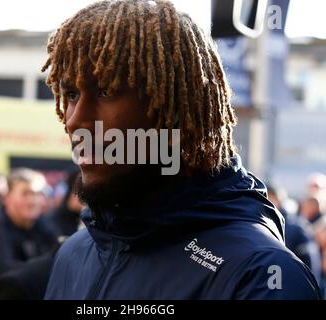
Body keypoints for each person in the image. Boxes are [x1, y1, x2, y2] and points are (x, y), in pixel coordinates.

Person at [42, 0, 320, 299]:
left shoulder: (259, 275)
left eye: (106, 91)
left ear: (174, 113)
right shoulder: (74, 253)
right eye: (70, 94)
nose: (74, 121)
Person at [0, 168, 57, 278]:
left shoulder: (43, 225)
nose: (32, 201)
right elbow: (3, 273)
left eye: (37, 194)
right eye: (25, 194)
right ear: (7, 198)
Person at [267, 186, 322, 285]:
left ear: (276, 198)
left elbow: (311, 263)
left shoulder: (297, 227)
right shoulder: (266, 225)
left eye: (267, 197)